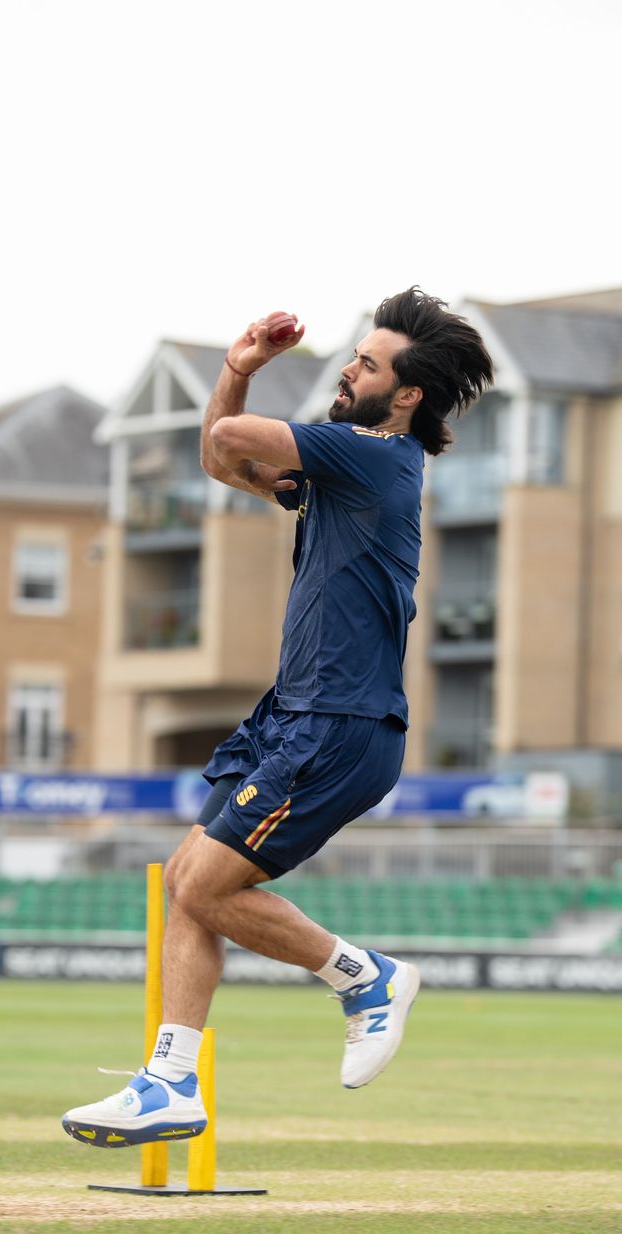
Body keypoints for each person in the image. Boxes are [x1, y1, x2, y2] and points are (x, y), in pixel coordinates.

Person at [63, 288, 494, 1148]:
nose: (349, 369)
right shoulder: (345, 470)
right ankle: (169, 1085)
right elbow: (224, 466)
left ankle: (364, 977)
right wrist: (236, 371)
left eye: (367, 364)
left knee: (204, 885)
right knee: (188, 885)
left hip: (338, 723)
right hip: (292, 714)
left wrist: (240, 378)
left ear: (406, 395)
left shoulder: (376, 459)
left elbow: (227, 438)